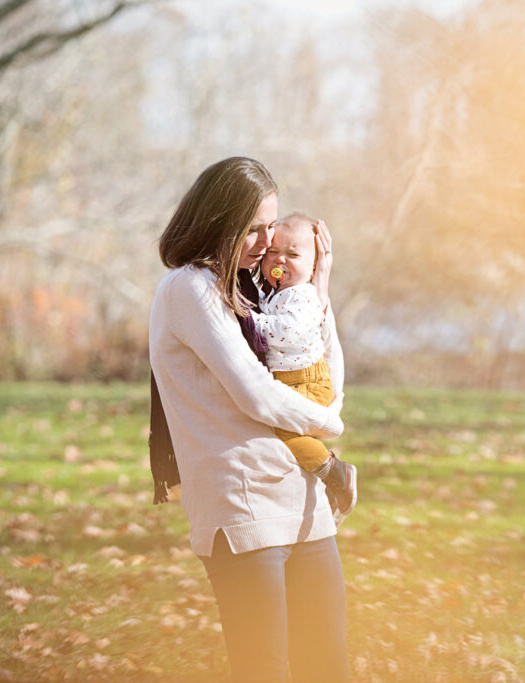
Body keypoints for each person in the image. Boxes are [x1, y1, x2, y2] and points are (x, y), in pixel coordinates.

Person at [149, 157, 350, 682]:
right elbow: (257, 393)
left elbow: (317, 366)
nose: (266, 241)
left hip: (301, 497)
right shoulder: (191, 289)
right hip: (242, 507)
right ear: (220, 221)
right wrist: (330, 427)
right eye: (255, 228)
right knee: (266, 672)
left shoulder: (253, 292)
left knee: (328, 669)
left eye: (272, 226)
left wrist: (319, 288)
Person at [251, 211, 357, 525]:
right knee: (278, 432)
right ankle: (325, 485)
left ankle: (334, 472)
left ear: (313, 266)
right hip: (291, 381)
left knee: (282, 432)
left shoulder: (304, 296)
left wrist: (248, 319)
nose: (279, 259)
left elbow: (282, 332)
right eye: (273, 252)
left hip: (307, 383)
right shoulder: (278, 294)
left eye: (292, 254)